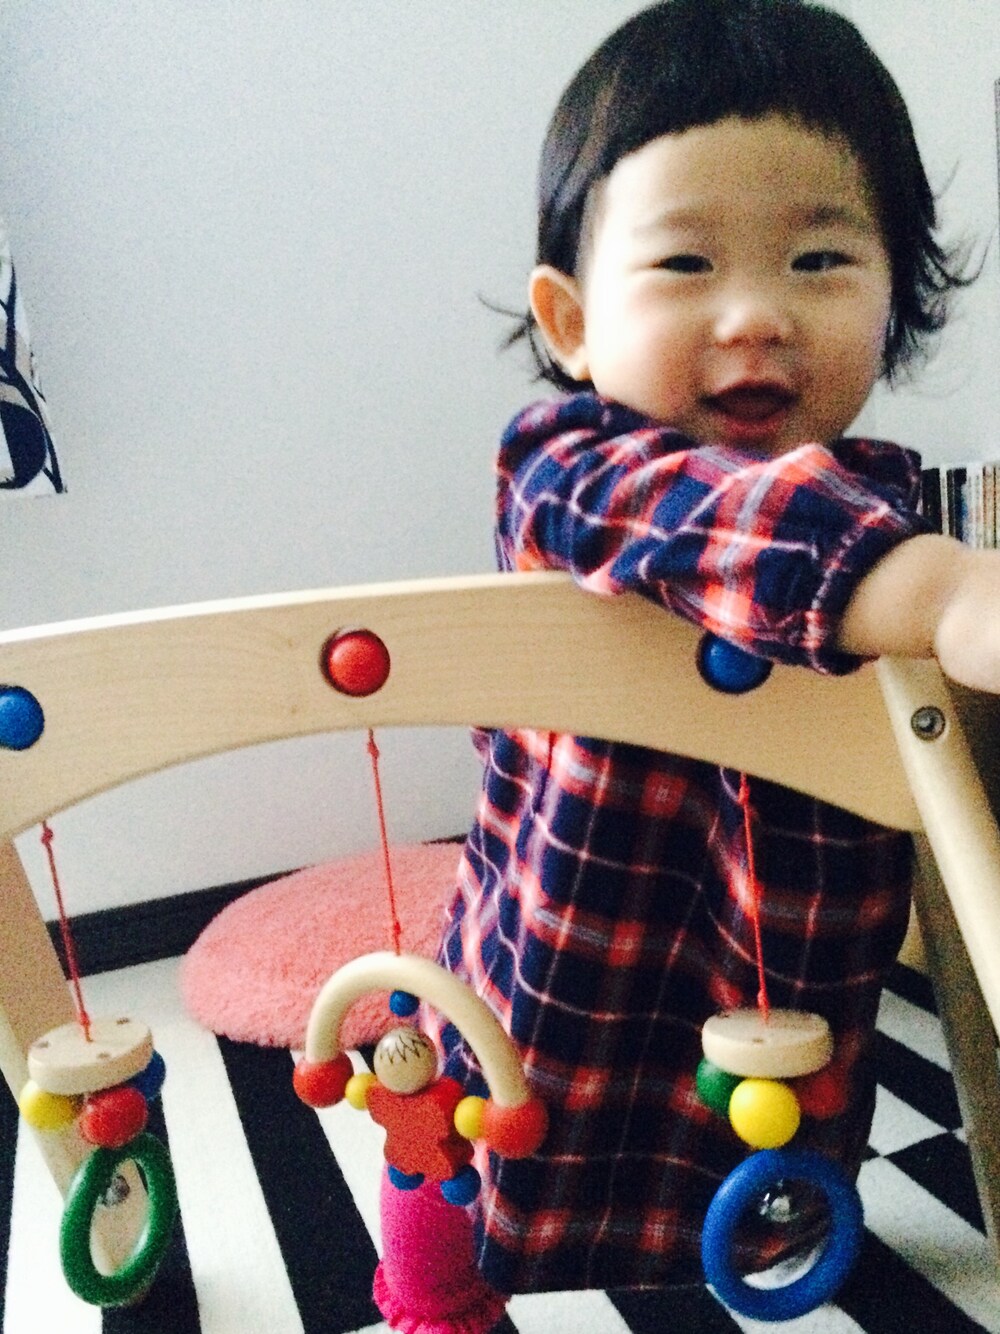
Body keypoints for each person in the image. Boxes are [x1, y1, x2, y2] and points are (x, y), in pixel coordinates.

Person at [373, 2, 993, 1330]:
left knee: (770, 1192)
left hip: (779, 1001)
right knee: (461, 1159)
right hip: (554, 987)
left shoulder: (884, 505)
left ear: (896, 294)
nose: (756, 314)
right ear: (571, 320)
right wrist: (943, 590)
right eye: (686, 262)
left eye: (821, 258)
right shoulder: (568, 470)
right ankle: (431, 1278)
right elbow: (719, 523)